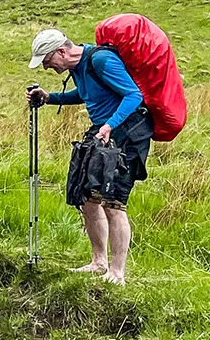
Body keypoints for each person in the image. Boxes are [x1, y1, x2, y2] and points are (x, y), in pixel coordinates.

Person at [27, 27, 152, 286]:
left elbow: (133, 95)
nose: (48, 68)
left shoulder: (101, 60)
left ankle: (117, 272)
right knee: (87, 199)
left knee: (113, 202)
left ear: (61, 51)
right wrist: (49, 98)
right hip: (104, 132)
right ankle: (99, 263)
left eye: (48, 62)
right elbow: (84, 95)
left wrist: (109, 125)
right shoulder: (78, 68)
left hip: (127, 133)